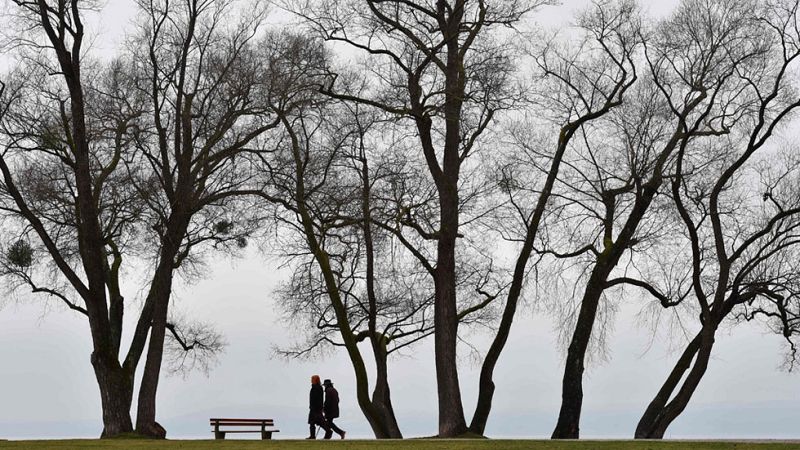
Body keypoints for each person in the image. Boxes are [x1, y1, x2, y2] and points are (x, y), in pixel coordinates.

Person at [307, 375, 329, 439]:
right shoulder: (317, 387)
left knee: (317, 422)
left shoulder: (317, 388)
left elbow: (317, 399)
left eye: (312, 379)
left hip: (315, 408)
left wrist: (317, 407)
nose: (311, 380)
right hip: (315, 408)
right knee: (313, 422)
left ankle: (328, 431)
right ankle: (312, 435)